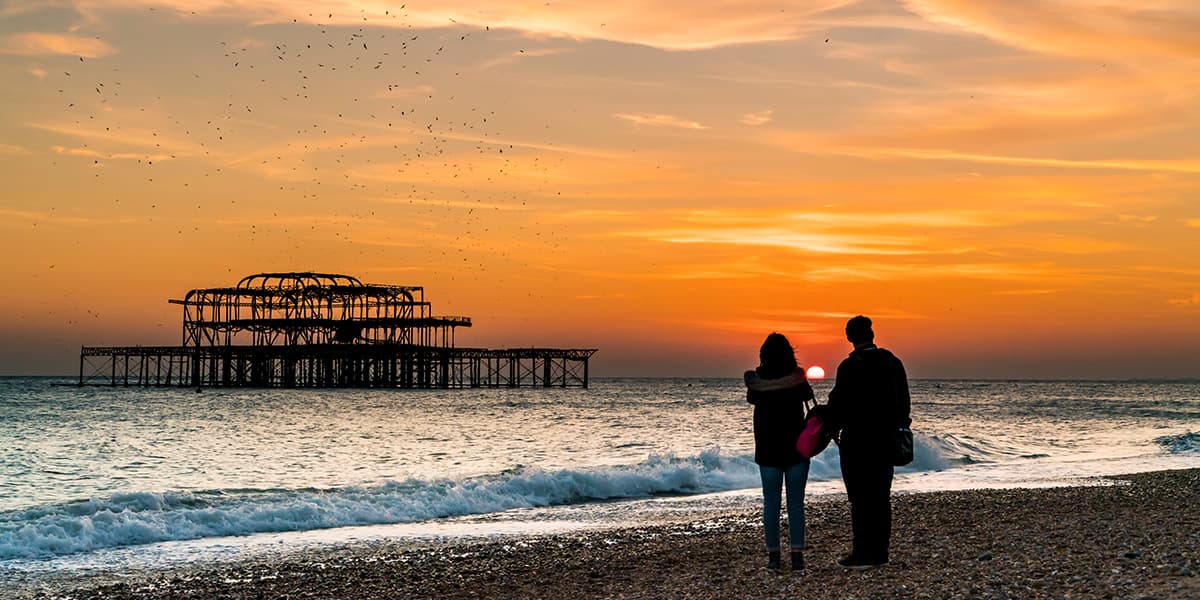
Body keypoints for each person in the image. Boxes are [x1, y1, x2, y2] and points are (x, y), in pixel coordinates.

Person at [827, 315, 911, 570]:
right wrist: (901, 426)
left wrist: (829, 424)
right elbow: (904, 401)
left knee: (860, 498)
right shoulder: (892, 362)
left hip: (857, 442)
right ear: (871, 334)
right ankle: (881, 552)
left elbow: (838, 404)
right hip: (886, 440)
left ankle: (862, 553)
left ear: (849, 337)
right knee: (881, 497)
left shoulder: (849, 366)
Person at [744, 332, 815, 573]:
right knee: (796, 503)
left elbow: (752, 399)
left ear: (764, 355)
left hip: (768, 448)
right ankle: (797, 557)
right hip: (796, 448)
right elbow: (808, 396)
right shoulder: (797, 378)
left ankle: (774, 557)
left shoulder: (757, 381)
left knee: (771, 503)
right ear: (789, 354)